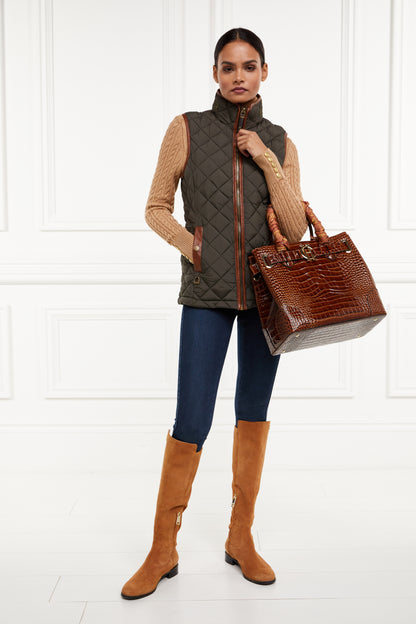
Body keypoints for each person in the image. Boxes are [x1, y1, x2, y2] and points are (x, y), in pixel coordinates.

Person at [121, 27, 307, 600]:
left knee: (253, 412)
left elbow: (294, 228)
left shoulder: (280, 140)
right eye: (228, 67)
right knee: (192, 417)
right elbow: (156, 206)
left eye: (249, 66)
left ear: (264, 72)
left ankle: (240, 538)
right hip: (205, 294)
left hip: (266, 298)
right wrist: (193, 247)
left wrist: (266, 161)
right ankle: (163, 549)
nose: (239, 76)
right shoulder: (186, 128)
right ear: (215, 74)